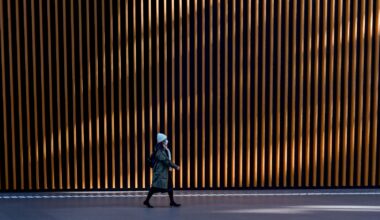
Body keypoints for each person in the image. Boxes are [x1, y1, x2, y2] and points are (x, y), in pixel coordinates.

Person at [143, 133, 181, 208]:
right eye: (165, 140)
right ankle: (146, 201)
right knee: (155, 188)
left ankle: (172, 202)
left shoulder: (164, 149)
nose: (167, 141)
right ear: (162, 141)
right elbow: (166, 161)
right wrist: (176, 167)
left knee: (170, 186)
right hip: (161, 173)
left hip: (165, 172)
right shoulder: (160, 151)